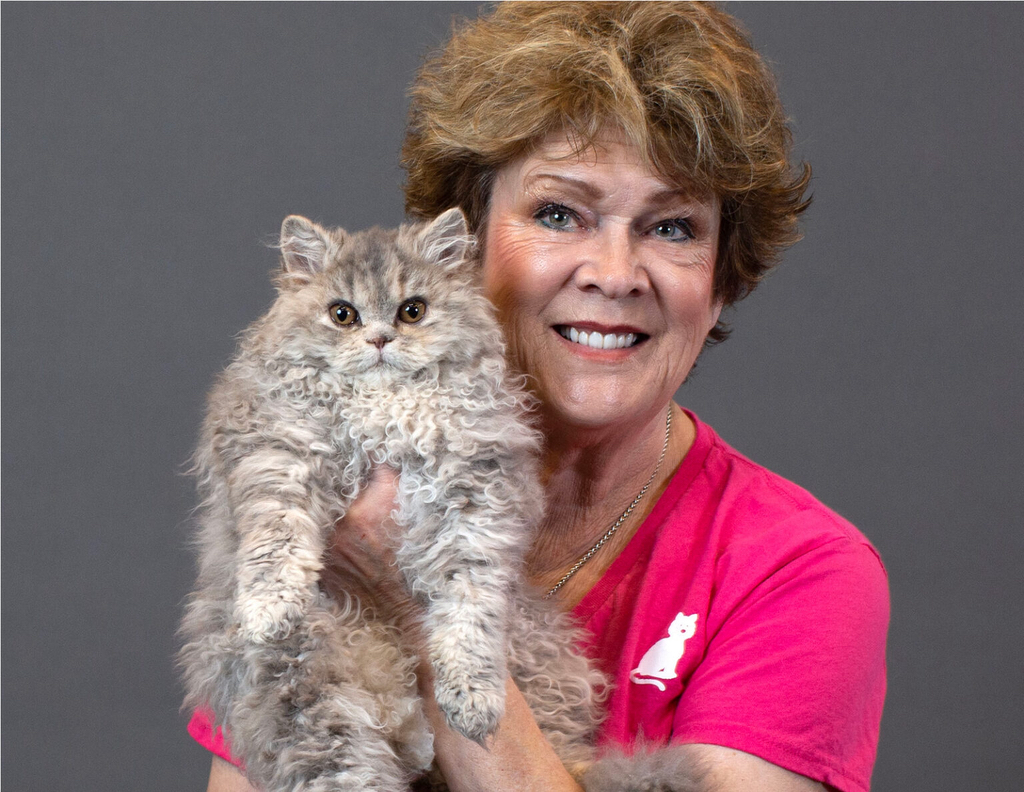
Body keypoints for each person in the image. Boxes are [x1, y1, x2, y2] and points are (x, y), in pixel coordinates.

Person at [192, 3, 889, 791]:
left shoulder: (801, 575)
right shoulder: (315, 494)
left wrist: (415, 605)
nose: (615, 275)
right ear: (462, 252)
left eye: (671, 228)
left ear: (722, 278)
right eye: (559, 214)